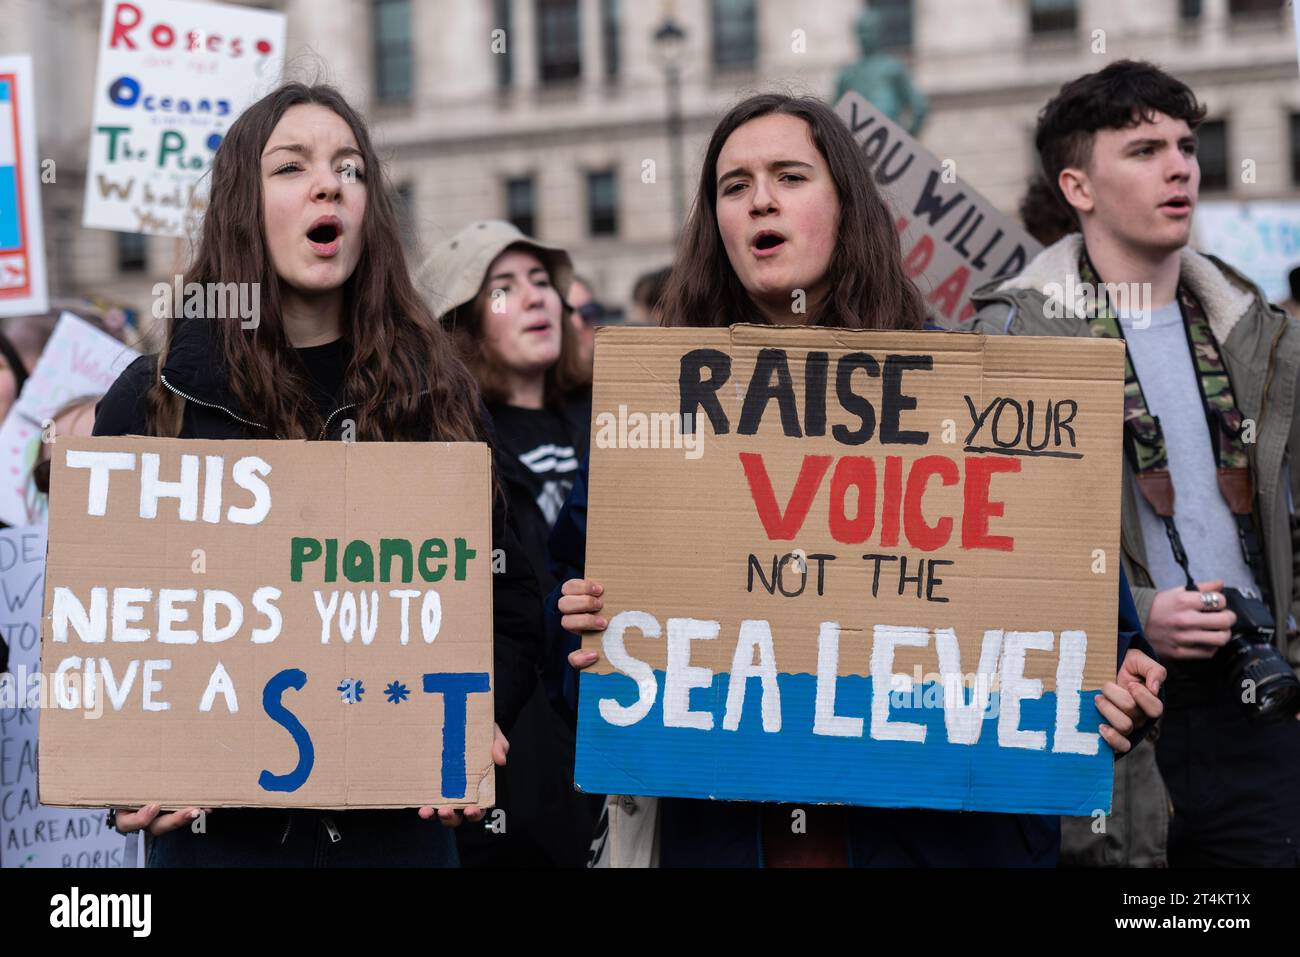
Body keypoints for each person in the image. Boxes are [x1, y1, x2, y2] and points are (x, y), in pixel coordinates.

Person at [549, 92, 1165, 867]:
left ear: (849, 205)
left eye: (790, 176)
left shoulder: (971, 391)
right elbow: (569, 625)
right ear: (717, 227)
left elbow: (1076, 609)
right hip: (731, 839)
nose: (760, 199)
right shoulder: (654, 410)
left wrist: (1121, 678)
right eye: (734, 186)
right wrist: (578, 634)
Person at [92, 82, 542, 867]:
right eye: (292, 167)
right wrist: (124, 762)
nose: (329, 184)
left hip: (396, 835)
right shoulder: (155, 397)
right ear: (241, 204)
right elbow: (106, 620)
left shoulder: (438, 391)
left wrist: (475, 716)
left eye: (350, 168)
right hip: (223, 847)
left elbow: (505, 596)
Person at [971, 60, 1300, 868]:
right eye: (1145, 149)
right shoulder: (1013, 341)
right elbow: (990, 545)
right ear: (1078, 187)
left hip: (1257, 701)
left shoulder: (1250, 326)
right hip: (1110, 703)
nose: (1181, 165)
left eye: (1186, 146)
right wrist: (1136, 610)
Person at [424, 220, 595, 867]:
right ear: (460, 325)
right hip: (510, 787)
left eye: (541, 282)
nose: (534, 298)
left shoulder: (617, 418)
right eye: (502, 287)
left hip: (613, 763)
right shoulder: (442, 444)